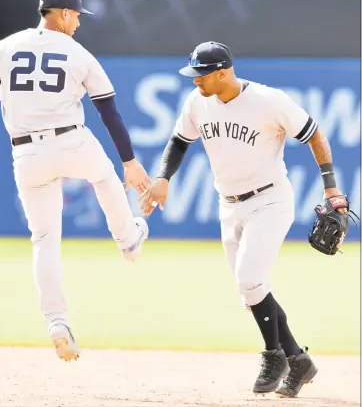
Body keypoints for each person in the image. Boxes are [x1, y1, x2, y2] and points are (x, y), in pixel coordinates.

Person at [139, 41, 350, 397]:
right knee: (250, 290)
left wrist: (331, 188)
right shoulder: (197, 102)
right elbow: (178, 140)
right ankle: (299, 360)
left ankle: (275, 356)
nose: (195, 81)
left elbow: (314, 134)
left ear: (222, 72)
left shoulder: (269, 101)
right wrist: (163, 177)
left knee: (251, 280)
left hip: (270, 200)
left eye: (201, 75)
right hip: (228, 203)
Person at [0, 0, 151, 362]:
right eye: (76, 17)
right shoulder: (78, 53)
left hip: (27, 153)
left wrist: (10, 95)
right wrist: (131, 161)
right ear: (65, 14)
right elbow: (108, 111)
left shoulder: (4, 48)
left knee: (44, 240)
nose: (78, 25)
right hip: (70, 141)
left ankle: (56, 323)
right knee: (103, 174)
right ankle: (128, 239)